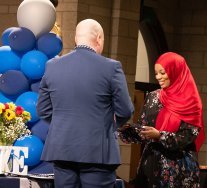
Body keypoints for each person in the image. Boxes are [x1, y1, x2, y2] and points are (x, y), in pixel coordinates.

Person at [37, 19, 134, 188]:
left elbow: (43, 110)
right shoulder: (111, 68)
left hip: (62, 150)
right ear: (99, 38)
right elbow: (125, 110)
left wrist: (64, 125)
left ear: (76, 38)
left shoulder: (52, 66)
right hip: (98, 153)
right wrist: (107, 126)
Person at [119, 52, 205, 188]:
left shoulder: (191, 102)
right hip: (151, 167)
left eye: (163, 73)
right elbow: (143, 127)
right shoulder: (153, 97)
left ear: (176, 72)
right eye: (156, 73)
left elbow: (187, 136)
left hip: (179, 171)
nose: (158, 77)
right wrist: (129, 130)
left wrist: (160, 135)